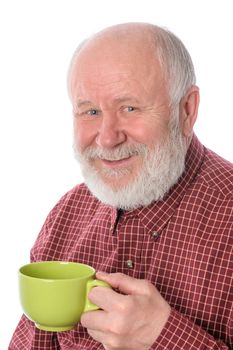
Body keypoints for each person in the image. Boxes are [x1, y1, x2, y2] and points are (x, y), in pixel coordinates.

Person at [9, 22, 232, 350]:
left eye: (129, 108)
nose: (108, 137)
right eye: (91, 111)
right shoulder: (66, 217)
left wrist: (165, 338)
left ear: (187, 110)